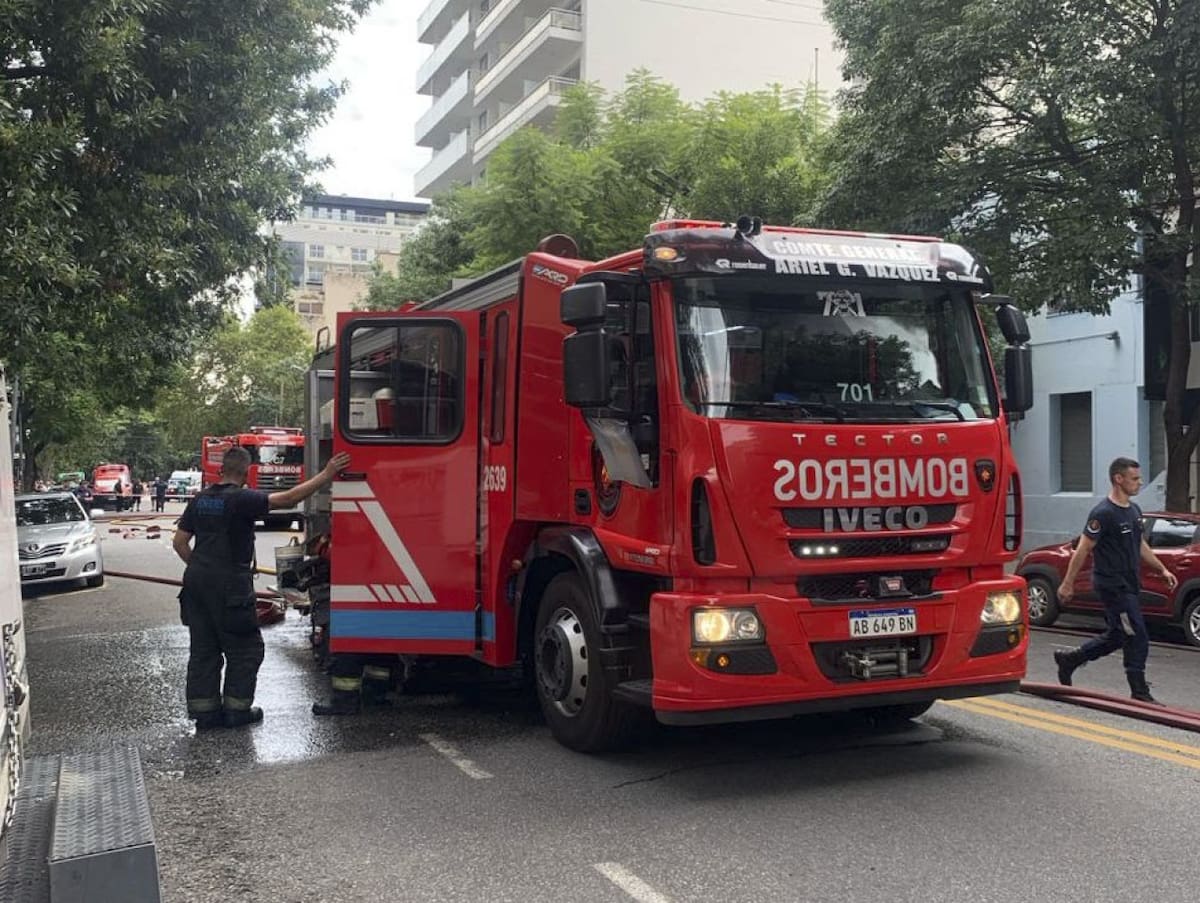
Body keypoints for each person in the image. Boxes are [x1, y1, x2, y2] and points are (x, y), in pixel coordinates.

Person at [172, 446, 351, 729]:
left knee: (203, 650)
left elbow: (179, 543)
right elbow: (289, 498)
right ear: (246, 472)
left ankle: (205, 715)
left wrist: (202, 569)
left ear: (221, 470)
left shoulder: (199, 500)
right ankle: (236, 711)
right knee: (245, 649)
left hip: (195, 584)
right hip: (230, 585)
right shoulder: (242, 499)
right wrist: (327, 474)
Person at [1053, 457, 1177, 703]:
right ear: (1118, 479)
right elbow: (1083, 549)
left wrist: (1162, 570)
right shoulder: (1103, 513)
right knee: (1136, 633)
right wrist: (1068, 583)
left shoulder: (1133, 511)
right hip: (1112, 585)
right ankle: (1139, 691)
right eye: (1135, 479)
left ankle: (1071, 659)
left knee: (1118, 635)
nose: (1139, 483)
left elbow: (1140, 544)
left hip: (1130, 583)